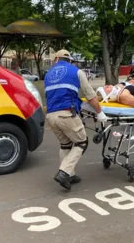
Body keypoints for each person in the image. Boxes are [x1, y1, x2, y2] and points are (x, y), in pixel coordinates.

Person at [44, 49, 108, 191]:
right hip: (67, 114)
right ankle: (64, 172)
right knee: (81, 142)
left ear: (56, 60)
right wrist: (100, 113)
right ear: (70, 60)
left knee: (65, 144)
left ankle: (70, 176)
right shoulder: (76, 72)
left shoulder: (48, 74)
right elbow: (90, 95)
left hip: (51, 116)